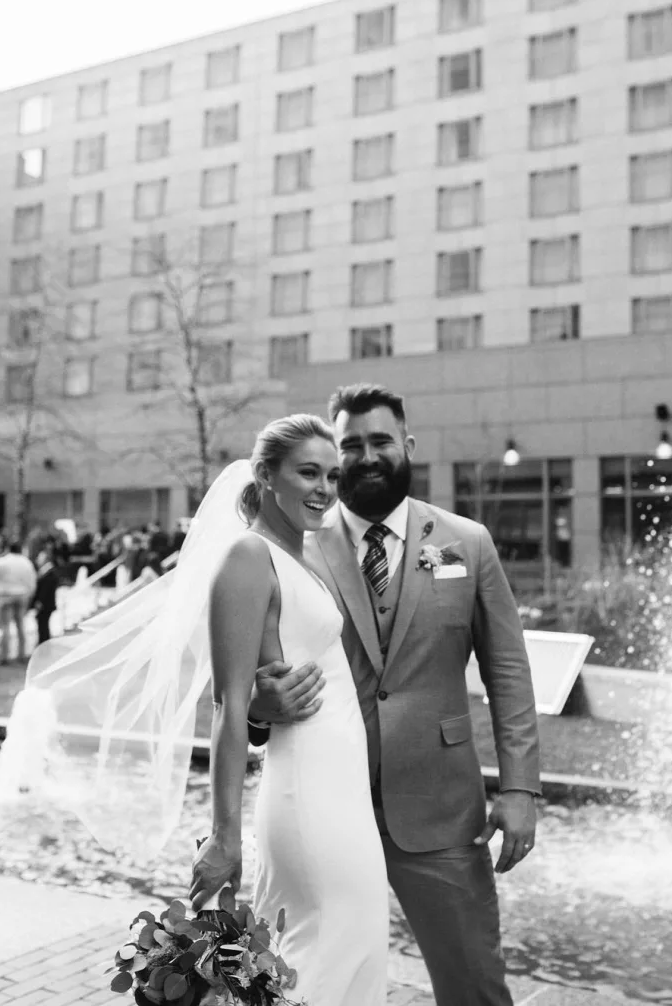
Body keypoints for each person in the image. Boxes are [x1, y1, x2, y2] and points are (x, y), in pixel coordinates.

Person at [246, 384, 541, 1006]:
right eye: (350, 444)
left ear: (406, 445)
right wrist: (255, 708)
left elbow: (508, 672)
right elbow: (239, 666)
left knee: (475, 986)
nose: (366, 455)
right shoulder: (289, 548)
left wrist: (519, 787)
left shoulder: (469, 542)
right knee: (302, 979)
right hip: (323, 807)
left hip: (439, 806)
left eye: (380, 440)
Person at [188, 414, 388, 1005]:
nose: (325, 489)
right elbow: (228, 704)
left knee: (350, 952)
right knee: (324, 957)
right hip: (308, 796)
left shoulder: (297, 555)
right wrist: (224, 837)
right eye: (308, 473)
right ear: (265, 475)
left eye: (332, 475)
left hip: (341, 793)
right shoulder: (248, 557)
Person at [0, 541, 37, 665]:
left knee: (5, 627)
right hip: (22, 595)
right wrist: (30, 595)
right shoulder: (26, 562)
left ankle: (5, 656)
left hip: (6, 595)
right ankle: (22, 653)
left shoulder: (1, 562)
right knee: (21, 626)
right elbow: (32, 581)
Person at [32, 548, 59, 646]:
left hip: (45, 604)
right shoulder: (46, 572)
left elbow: (45, 589)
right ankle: (44, 643)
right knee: (43, 625)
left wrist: (39, 602)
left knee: (43, 625)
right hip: (46, 603)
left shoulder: (49, 573)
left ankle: (44, 644)